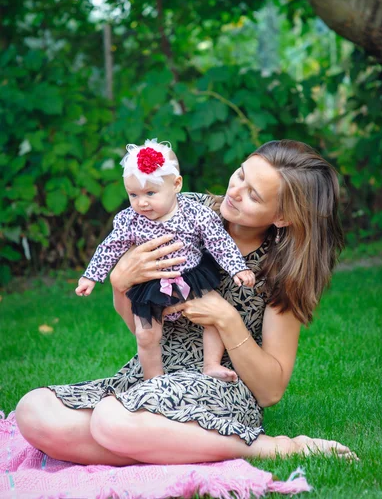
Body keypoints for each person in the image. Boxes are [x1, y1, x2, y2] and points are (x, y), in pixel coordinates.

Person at [15, 140, 357, 464]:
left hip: (218, 390)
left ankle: (271, 448)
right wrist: (120, 283)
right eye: (240, 174)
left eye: (253, 194)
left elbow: (270, 391)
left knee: (110, 420)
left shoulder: (282, 270)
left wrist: (226, 318)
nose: (234, 192)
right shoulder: (178, 209)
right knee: (35, 412)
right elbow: (138, 321)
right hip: (153, 375)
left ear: (281, 217)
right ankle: (175, 444)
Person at [75, 139, 254, 381]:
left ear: (176, 184)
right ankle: (154, 379)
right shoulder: (130, 220)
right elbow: (110, 247)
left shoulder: (195, 213)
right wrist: (91, 276)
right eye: (133, 194)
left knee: (214, 318)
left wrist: (237, 269)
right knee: (146, 334)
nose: (142, 202)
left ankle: (211, 364)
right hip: (151, 286)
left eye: (150, 193)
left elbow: (219, 242)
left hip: (191, 277)